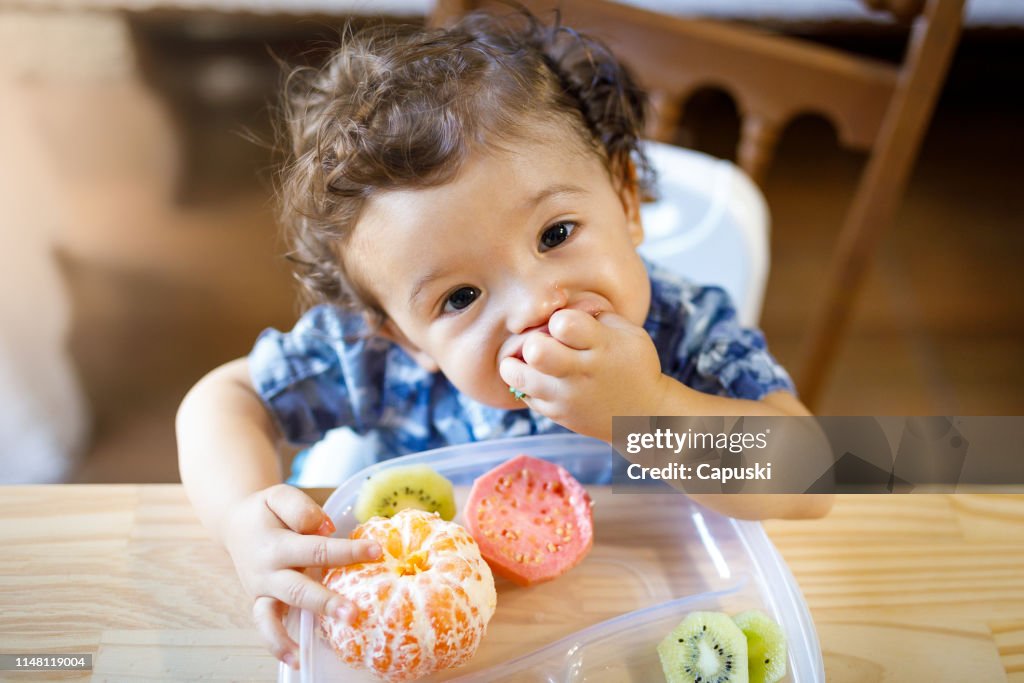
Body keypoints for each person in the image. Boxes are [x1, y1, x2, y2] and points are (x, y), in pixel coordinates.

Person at [176, 9, 832, 668]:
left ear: (626, 199)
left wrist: (651, 406)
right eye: (460, 297)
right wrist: (241, 517)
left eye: (556, 234)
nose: (535, 306)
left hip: (639, 610)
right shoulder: (383, 361)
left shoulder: (686, 330)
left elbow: (816, 477)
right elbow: (226, 398)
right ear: (401, 335)